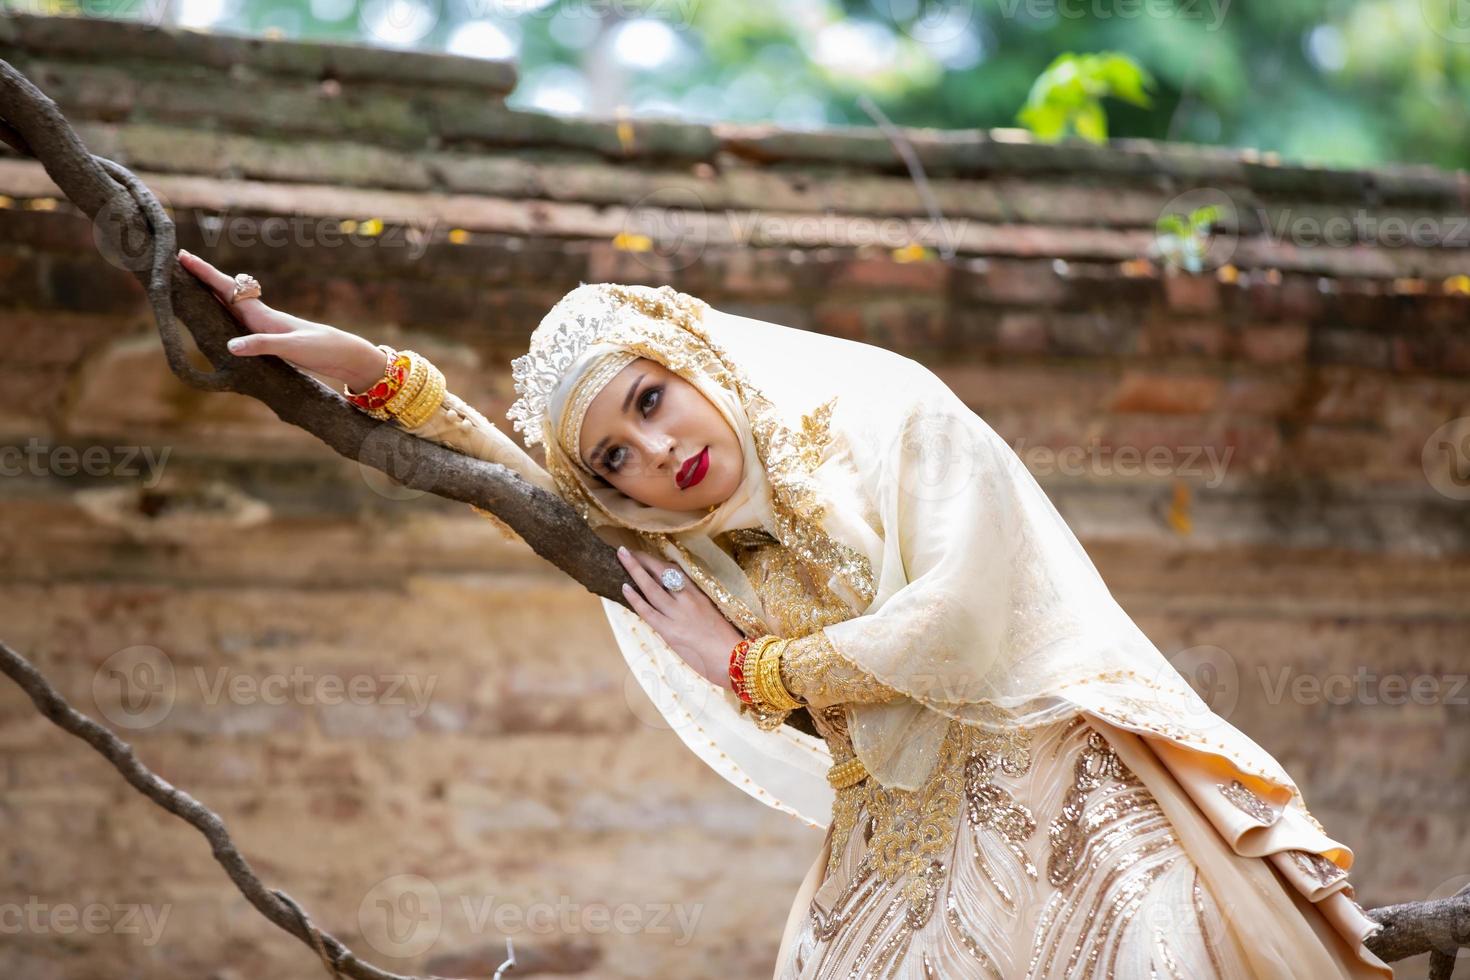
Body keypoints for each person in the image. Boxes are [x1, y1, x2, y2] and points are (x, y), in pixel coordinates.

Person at [179, 249, 1394, 979]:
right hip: (893, 845)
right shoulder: (678, 540)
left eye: (656, 399)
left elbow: (964, 617)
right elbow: (511, 482)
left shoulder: (893, 420)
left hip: (1063, 783)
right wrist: (368, 368)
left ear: (698, 362)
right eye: (615, 456)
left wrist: (759, 666)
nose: (657, 450)